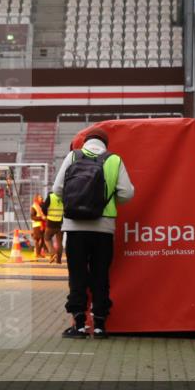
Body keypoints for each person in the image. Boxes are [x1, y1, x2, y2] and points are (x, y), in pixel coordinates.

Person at [53, 128, 134, 339]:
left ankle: (79, 325)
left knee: (77, 275)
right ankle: (99, 326)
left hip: (74, 228)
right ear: (105, 144)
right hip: (103, 228)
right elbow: (127, 192)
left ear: (86, 142)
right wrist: (108, 200)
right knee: (100, 276)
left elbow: (57, 189)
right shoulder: (114, 160)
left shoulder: (73, 156)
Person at [42, 190, 64, 264]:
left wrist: (46, 214)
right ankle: (59, 260)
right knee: (59, 242)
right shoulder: (64, 196)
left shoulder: (51, 196)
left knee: (47, 238)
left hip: (51, 222)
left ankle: (53, 253)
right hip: (61, 223)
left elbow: (44, 207)